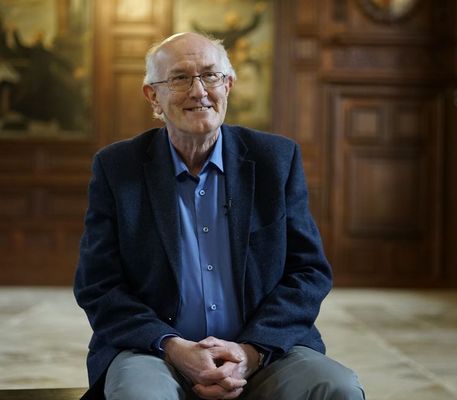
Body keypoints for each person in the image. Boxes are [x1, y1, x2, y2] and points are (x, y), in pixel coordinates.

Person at [74, 32, 365, 400]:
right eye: (180, 78)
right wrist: (173, 347)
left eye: (211, 76)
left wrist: (250, 352)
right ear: (153, 96)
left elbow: (308, 272)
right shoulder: (118, 168)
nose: (199, 92)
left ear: (227, 85)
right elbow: (97, 284)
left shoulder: (275, 160)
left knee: (337, 388)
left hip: (263, 353)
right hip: (154, 352)